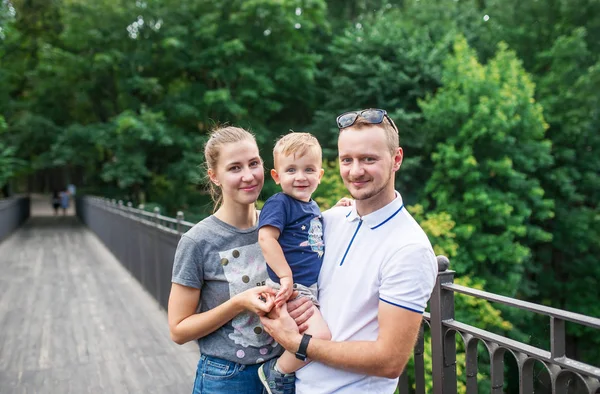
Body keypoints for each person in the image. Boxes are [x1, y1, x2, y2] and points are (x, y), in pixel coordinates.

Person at [260, 109, 439, 393]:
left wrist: (298, 344)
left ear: (396, 159)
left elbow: (389, 360)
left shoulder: (409, 248)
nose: (356, 171)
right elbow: (269, 238)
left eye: (369, 159)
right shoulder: (331, 220)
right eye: (347, 160)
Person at [168, 126, 287, 394]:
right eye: (235, 168)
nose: (249, 176)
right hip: (227, 378)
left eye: (254, 163)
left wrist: (340, 213)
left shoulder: (277, 226)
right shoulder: (197, 241)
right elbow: (178, 329)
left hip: (281, 372)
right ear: (215, 176)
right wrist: (237, 304)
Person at [256, 132, 332, 394]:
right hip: (290, 287)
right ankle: (278, 372)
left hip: (304, 287)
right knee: (320, 339)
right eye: (291, 170)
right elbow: (266, 237)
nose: (300, 176)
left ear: (320, 175)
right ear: (277, 177)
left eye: (308, 169)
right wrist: (285, 277)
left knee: (304, 339)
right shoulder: (280, 202)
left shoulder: (312, 206)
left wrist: (343, 207)